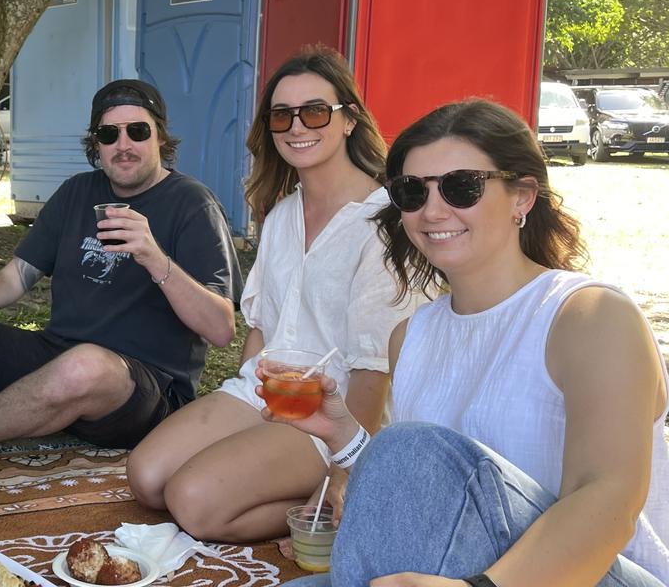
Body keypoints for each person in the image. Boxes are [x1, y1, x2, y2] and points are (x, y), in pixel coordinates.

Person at [275, 100, 669, 586]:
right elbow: (444, 494)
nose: (433, 210)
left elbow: (609, 499)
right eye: (411, 191)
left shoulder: (588, 316)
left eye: (462, 187)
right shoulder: (412, 335)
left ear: (523, 196)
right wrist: (343, 437)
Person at [0, 78, 243, 532]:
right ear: (95, 143)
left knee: (85, 367)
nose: (123, 144)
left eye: (137, 131)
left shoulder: (192, 205)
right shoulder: (78, 192)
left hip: (145, 390)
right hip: (57, 355)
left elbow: (221, 329)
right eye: (108, 134)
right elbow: (15, 276)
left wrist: (153, 256)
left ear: (160, 136)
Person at [125, 46, 423, 543]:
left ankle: (344, 507)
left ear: (349, 119)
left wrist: (347, 470)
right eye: (281, 116)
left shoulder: (383, 219)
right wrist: (245, 411)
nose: (297, 127)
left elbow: (375, 366)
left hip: (335, 409)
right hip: (267, 392)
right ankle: (268, 484)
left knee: (192, 501)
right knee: (147, 477)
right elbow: (261, 327)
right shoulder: (283, 213)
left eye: (314, 111)